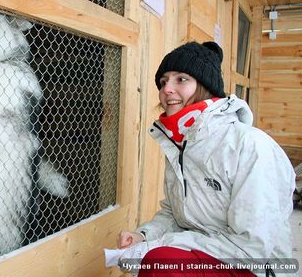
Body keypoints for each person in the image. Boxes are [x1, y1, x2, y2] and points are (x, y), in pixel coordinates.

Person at [117, 41, 296, 277]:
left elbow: (251, 246)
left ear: (205, 86)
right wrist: (144, 235)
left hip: (254, 266)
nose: (166, 89)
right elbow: (175, 214)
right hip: (207, 252)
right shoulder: (181, 145)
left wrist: (158, 246)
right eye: (163, 82)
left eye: (181, 79)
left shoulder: (250, 146)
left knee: (161, 263)